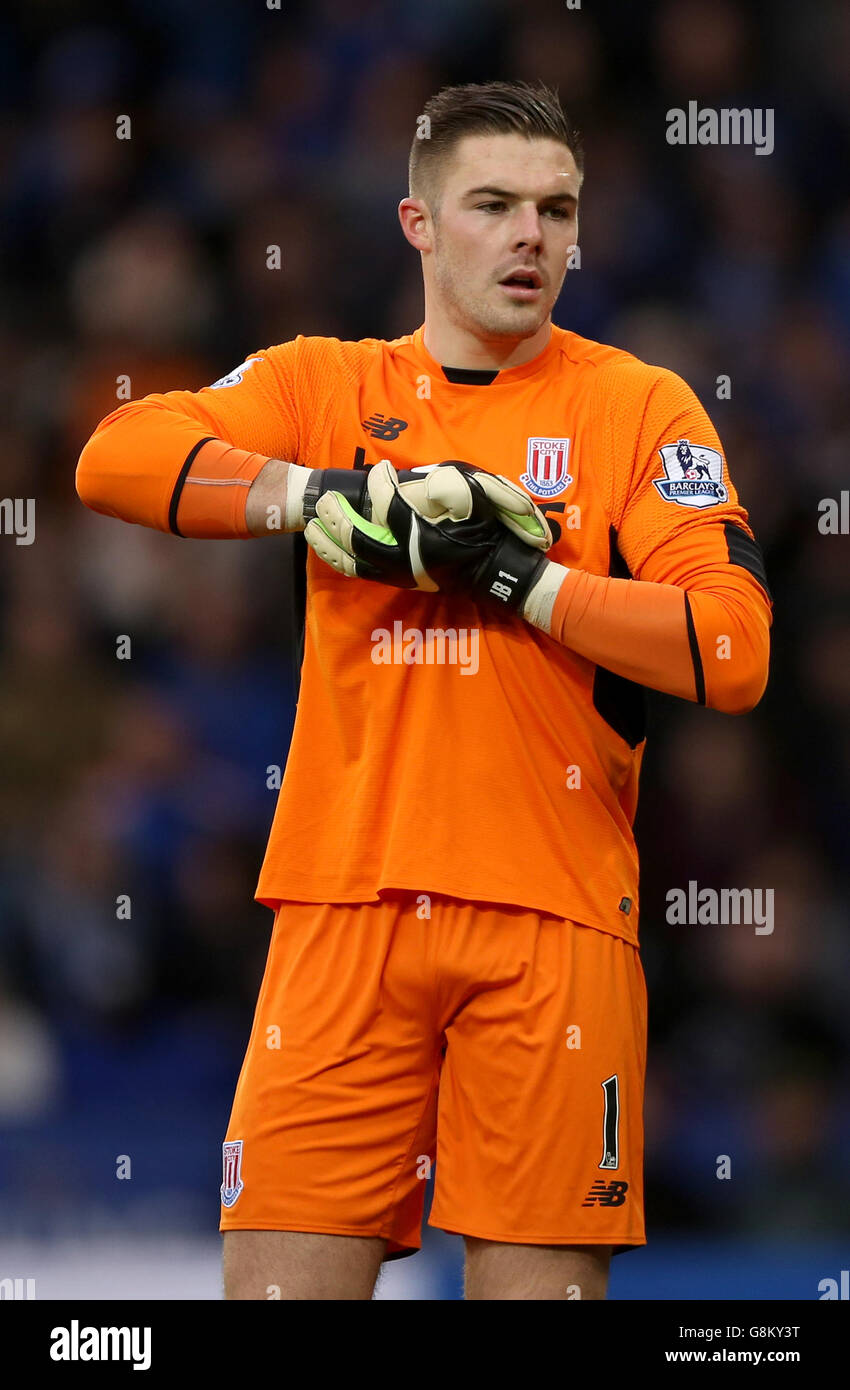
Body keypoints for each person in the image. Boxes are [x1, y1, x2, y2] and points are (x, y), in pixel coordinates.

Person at [75, 80, 772, 1300]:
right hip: (343, 905)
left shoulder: (636, 406)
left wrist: (519, 579)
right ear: (417, 222)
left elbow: (732, 649)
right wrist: (324, 498)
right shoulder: (325, 386)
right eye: (493, 205)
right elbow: (111, 457)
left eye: (556, 211)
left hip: (551, 922)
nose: (529, 238)